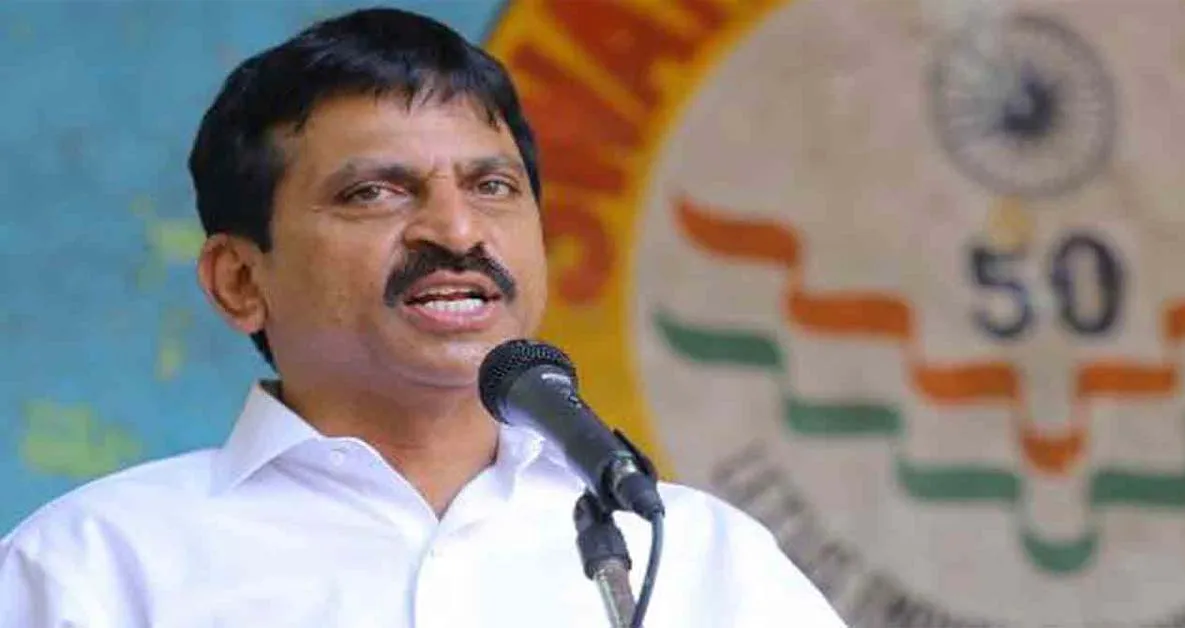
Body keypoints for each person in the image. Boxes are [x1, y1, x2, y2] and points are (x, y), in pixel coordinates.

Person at [0, 7, 846, 627]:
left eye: (493, 186)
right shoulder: (92, 567)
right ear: (239, 281)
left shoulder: (697, 557)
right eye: (375, 191)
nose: (457, 230)